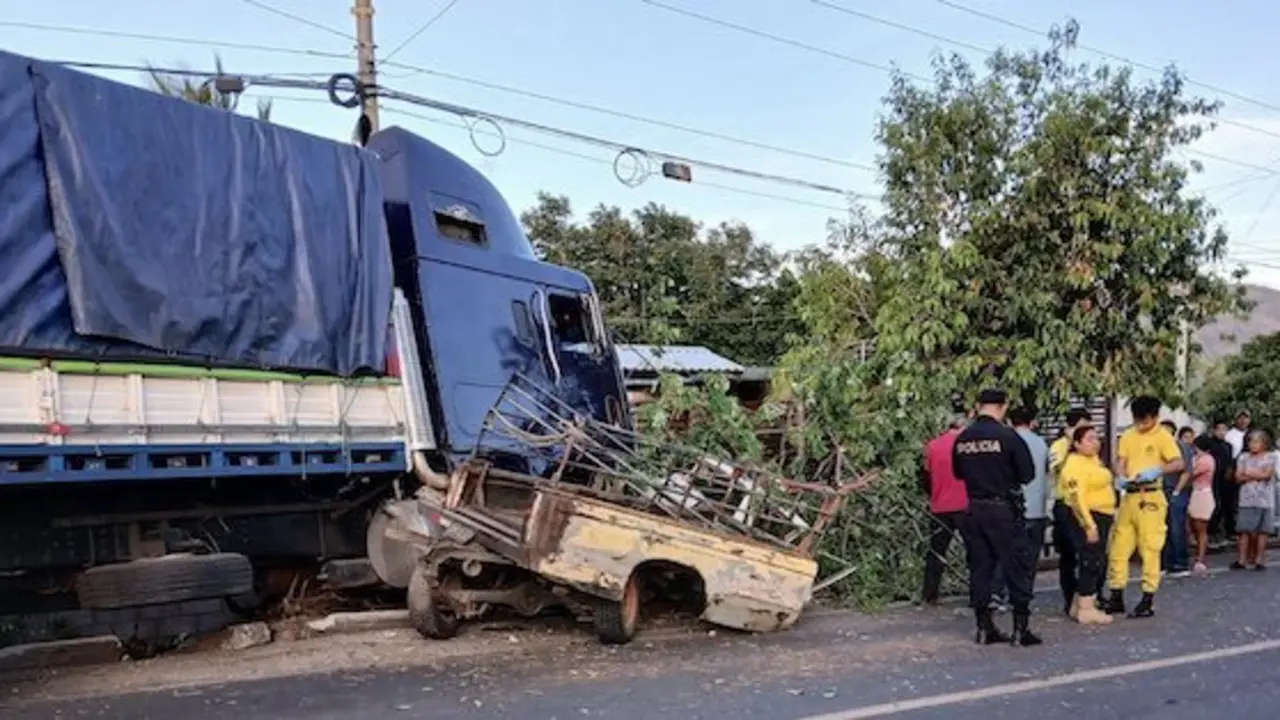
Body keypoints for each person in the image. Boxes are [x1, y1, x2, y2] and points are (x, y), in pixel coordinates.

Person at [951, 389, 1042, 646]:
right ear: (1003, 407)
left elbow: (958, 473)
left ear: (978, 406)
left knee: (980, 568)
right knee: (1016, 566)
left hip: (974, 509)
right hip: (1003, 510)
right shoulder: (1008, 436)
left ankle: (983, 628)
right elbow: (1027, 474)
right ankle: (1019, 629)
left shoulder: (964, 438)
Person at [1103, 396, 1184, 618]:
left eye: (1145, 420)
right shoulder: (1128, 435)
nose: (1141, 424)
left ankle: (1147, 598)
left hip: (1151, 497)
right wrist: (1120, 475)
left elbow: (1178, 463)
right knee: (1119, 547)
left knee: (1150, 548)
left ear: (1156, 417)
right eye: (1138, 420)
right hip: (1129, 496)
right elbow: (1120, 461)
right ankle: (1116, 594)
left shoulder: (1163, 436)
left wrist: (1157, 470)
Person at [991, 407, 1050, 610]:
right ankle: (1024, 595)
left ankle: (998, 594)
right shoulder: (1041, 443)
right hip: (1037, 509)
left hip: (1011, 508)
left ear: (1009, 421)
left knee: (1004, 554)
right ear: (1032, 422)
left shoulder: (1005, 442)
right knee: (1030, 557)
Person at [1058, 425, 1116, 625]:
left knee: (1095, 559)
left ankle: (1078, 604)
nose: (1096, 442)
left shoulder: (1093, 461)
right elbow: (1076, 497)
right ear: (1076, 443)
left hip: (1103, 514)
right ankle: (1086, 607)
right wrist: (1088, 525)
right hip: (1090, 515)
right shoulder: (1074, 465)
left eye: (1096, 438)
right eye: (1089, 439)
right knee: (1091, 561)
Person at [1048, 408, 1093, 617]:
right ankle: (1069, 599)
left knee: (1091, 553)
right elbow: (1057, 469)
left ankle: (1088, 596)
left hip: (1089, 504)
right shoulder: (1059, 446)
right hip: (1066, 504)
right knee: (1068, 556)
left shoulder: (1090, 445)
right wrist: (1072, 447)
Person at [920, 414, 969, 605]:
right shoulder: (967, 445)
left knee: (936, 551)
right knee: (975, 551)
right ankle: (979, 591)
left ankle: (930, 593)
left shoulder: (932, 446)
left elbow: (925, 476)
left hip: (940, 506)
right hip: (965, 505)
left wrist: (933, 495)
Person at [1232, 430, 1275, 571]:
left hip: (1264, 499)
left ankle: (1259, 560)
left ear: (1264, 443)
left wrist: (1249, 473)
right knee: (1244, 530)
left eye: (1256, 441)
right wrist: (1257, 475)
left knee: (1262, 531)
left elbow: (1267, 475)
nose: (1253, 444)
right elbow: (1238, 477)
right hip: (1247, 499)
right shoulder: (1243, 457)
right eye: (1251, 441)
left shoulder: (1270, 457)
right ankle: (1242, 559)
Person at [1159, 420, 1194, 577]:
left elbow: (1187, 471)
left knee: (1177, 527)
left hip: (1176, 490)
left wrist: (1177, 491)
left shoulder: (1181, 447)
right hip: (1161, 490)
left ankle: (1181, 563)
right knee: (1163, 528)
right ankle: (1166, 563)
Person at [1187, 435, 1217, 574]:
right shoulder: (1195, 458)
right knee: (1191, 526)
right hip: (1194, 492)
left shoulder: (1206, 460)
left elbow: (1191, 474)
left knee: (1201, 528)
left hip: (1202, 494)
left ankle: (1200, 558)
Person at [1207, 421, 1237, 541]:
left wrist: (1230, 472)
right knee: (1215, 506)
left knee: (1228, 505)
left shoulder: (1228, 446)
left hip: (1226, 479)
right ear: (1213, 430)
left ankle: (1229, 531)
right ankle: (1212, 532)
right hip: (1212, 479)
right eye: (1219, 429)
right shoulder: (1209, 444)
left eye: (1224, 429)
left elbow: (1230, 461)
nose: (1221, 432)